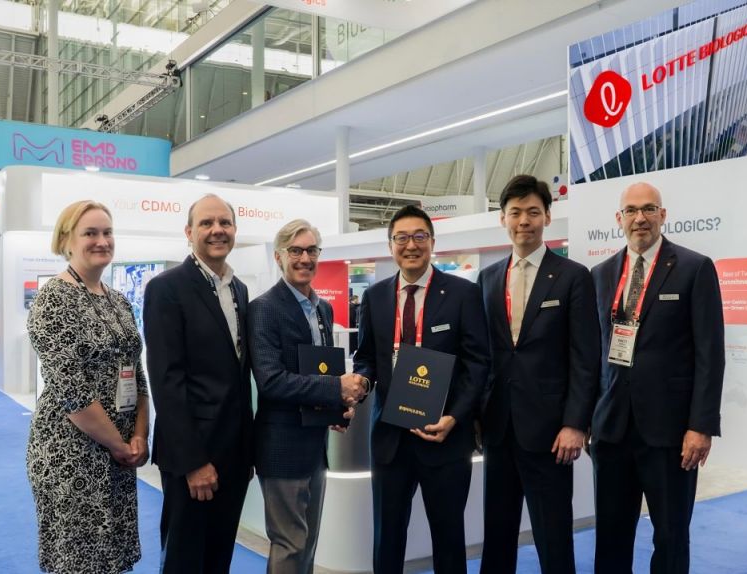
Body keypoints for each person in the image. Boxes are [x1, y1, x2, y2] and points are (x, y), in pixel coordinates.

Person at [590, 182, 724, 574]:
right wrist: (586, 418)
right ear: (619, 219)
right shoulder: (600, 274)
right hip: (612, 430)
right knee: (611, 537)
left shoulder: (694, 268)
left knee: (670, 536)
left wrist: (701, 426)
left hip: (670, 434)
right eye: (631, 211)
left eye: (649, 209)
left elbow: (710, 354)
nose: (640, 218)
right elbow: (592, 353)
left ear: (663, 215)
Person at [352, 205, 491, 574]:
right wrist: (361, 381)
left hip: (444, 438)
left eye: (419, 237)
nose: (410, 245)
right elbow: (366, 357)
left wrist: (455, 417)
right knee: (387, 538)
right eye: (401, 238)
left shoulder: (462, 294)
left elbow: (478, 363)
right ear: (390, 245)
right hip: (390, 439)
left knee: (448, 539)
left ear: (432, 242)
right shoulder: (375, 297)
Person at [476, 175, 600, 574]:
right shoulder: (488, 278)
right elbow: (481, 355)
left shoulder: (572, 275)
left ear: (547, 216)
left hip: (551, 432)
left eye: (532, 212)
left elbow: (585, 357)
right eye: (515, 213)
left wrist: (575, 423)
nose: (523, 221)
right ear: (503, 219)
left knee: (553, 533)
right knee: (497, 532)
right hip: (498, 428)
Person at [26, 200, 150, 574]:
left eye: (107, 232)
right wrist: (119, 445)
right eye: (90, 233)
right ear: (66, 240)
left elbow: (137, 374)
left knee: (111, 557)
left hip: (119, 450)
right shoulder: (53, 298)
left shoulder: (118, 301)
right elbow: (72, 391)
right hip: (71, 452)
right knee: (78, 562)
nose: (102, 241)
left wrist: (140, 435)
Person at [144, 194, 254, 574]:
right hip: (192, 454)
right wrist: (194, 462)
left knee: (219, 557)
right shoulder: (167, 289)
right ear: (189, 233)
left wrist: (246, 452)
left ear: (235, 230)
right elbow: (166, 380)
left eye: (224, 222)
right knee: (185, 559)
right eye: (206, 223)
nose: (217, 230)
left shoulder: (239, 289)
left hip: (234, 454)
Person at [248, 219, 363, 574]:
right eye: (296, 250)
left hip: (315, 444)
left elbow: (319, 369)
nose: (305, 258)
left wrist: (336, 408)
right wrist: (335, 389)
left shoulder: (323, 309)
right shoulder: (264, 308)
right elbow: (272, 381)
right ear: (279, 256)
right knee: (290, 544)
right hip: (282, 447)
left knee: (308, 543)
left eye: (311, 250)